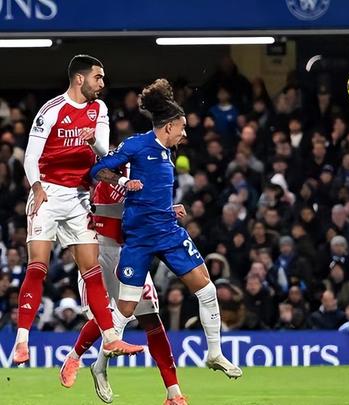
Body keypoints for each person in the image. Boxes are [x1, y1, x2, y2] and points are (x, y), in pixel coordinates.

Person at [89, 79, 242, 383]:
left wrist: (170, 209)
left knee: (207, 290)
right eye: (182, 128)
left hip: (169, 232)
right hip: (139, 238)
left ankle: (214, 353)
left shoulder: (167, 153)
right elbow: (98, 170)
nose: (185, 134)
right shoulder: (136, 145)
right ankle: (99, 365)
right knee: (126, 310)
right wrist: (123, 182)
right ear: (169, 126)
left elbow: (153, 194)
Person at [13, 55, 142, 365]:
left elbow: (104, 152)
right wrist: (37, 188)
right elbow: (30, 157)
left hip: (79, 197)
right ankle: (22, 340)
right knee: (38, 266)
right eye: (98, 77)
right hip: (48, 192)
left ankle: (110, 338)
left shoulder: (100, 109)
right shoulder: (51, 110)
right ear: (80, 79)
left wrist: (93, 140)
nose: (102, 83)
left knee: (91, 269)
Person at [59, 162, 188, 404]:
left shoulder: (150, 171)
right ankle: (75, 357)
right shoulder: (115, 169)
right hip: (100, 249)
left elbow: (143, 210)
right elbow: (113, 211)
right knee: (105, 318)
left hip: (130, 252)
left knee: (151, 318)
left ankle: (174, 394)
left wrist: (166, 209)